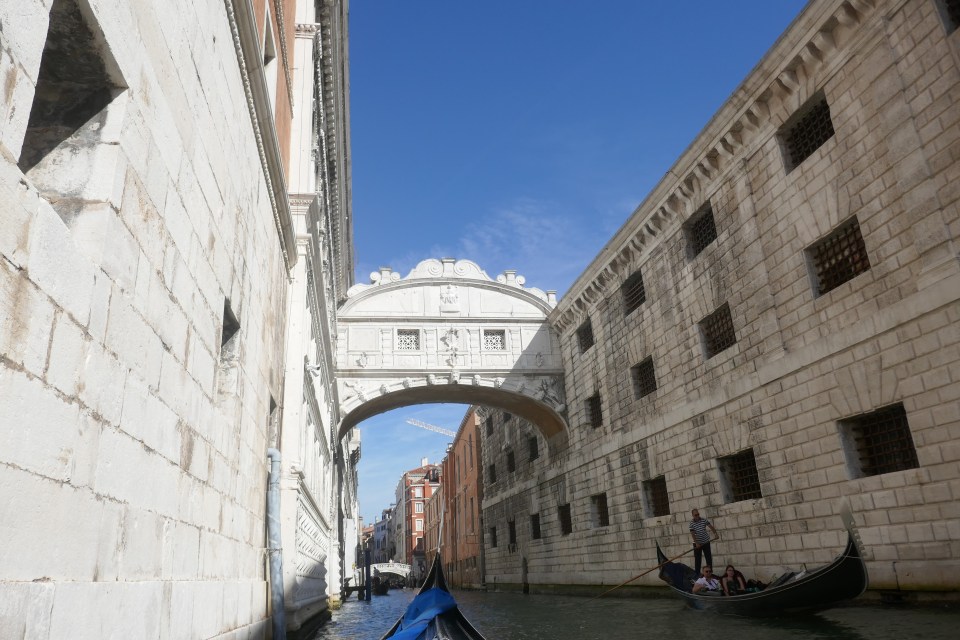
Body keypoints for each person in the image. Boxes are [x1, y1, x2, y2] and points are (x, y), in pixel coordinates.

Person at [689, 508, 719, 575]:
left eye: (698, 514)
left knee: (708, 558)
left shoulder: (703, 520)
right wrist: (696, 543)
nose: (697, 516)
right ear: (693, 515)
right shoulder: (691, 523)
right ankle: (697, 574)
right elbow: (693, 534)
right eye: (695, 515)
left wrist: (715, 534)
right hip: (697, 544)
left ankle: (710, 573)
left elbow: (710, 526)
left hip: (706, 542)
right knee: (698, 560)